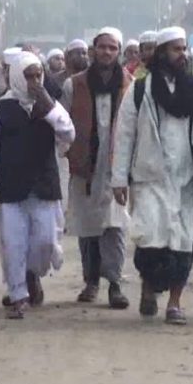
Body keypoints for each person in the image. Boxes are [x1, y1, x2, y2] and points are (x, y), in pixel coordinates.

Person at [111, 26, 193, 325]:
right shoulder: (140, 91)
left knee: (184, 244)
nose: (182, 54)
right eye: (176, 49)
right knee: (151, 241)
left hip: (187, 182)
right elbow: (124, 135)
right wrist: (119, 179)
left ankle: (175, 303)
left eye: (184, 48)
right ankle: (149, 288)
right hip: (150, 179)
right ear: (161, 54)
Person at [0, 52, 75, 319]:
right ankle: (18, 294)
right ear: (16, 77)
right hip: (11, 187)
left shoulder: (50, 105)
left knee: (46, 242)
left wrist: (49, 106)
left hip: (43, 186)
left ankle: (33, 274)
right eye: (28, 76)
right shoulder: (0, 109)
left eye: (37, 76)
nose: (34, 82)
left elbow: (68, 133)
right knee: (13, 244)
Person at [62, 27, 132, 308]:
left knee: (115, 226)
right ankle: (91, 281)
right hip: (86, 166)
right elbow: (63, 126)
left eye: (113, 48)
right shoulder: (74, 85)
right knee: (88, 227)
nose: (107, 52)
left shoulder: (128, 85)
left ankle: (115, 283)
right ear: (93, 50)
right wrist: (71, 154)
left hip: (117, 166)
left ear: (119, 52)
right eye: (102, 47)